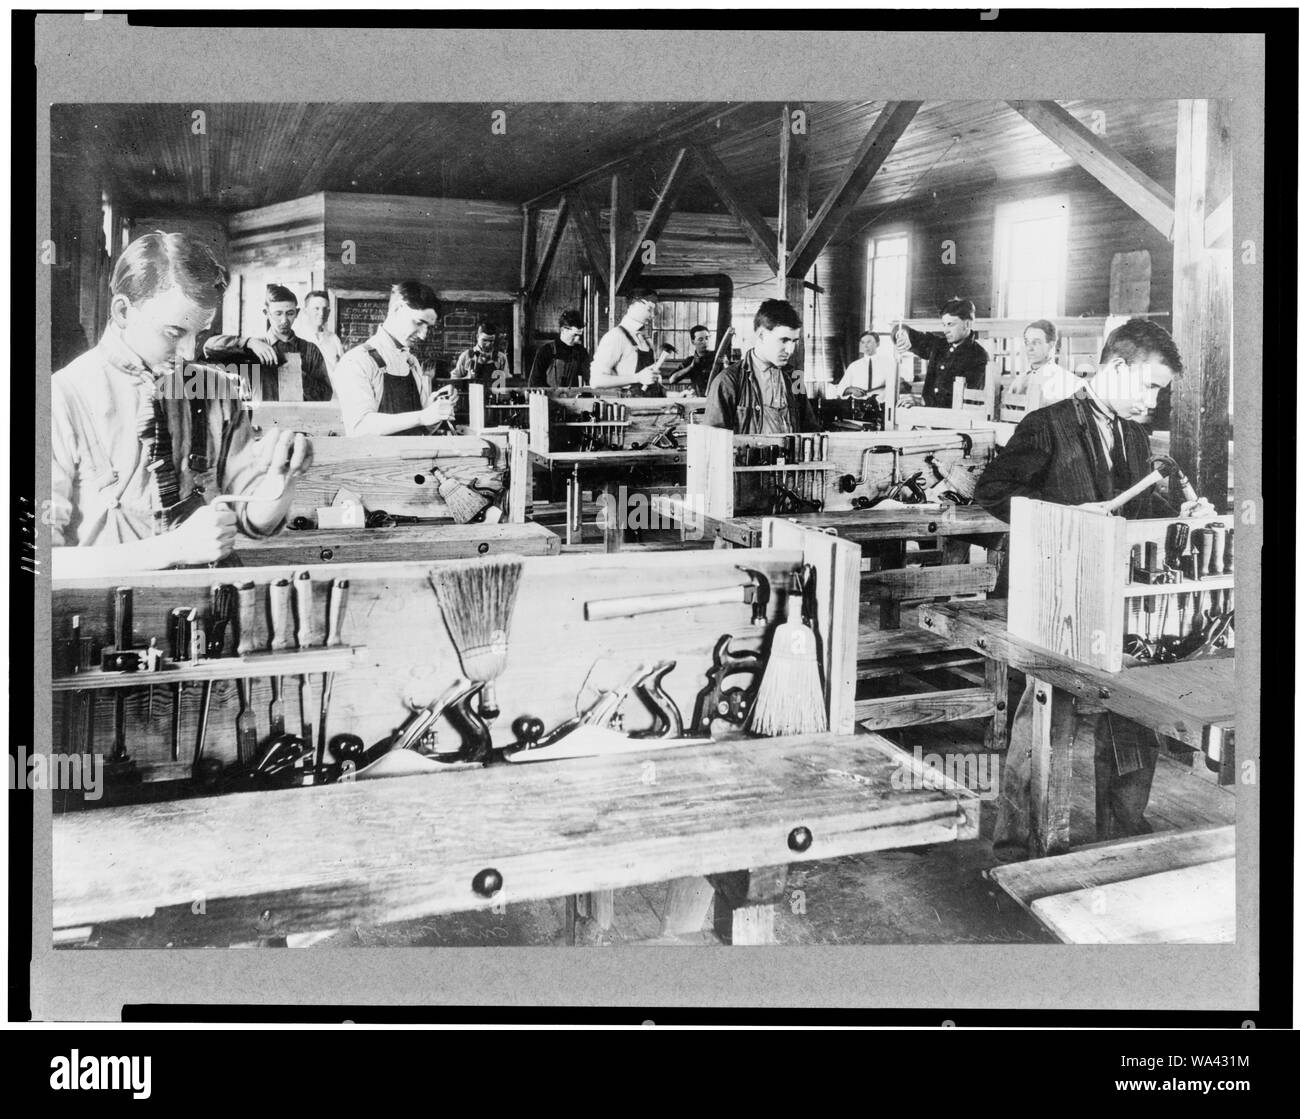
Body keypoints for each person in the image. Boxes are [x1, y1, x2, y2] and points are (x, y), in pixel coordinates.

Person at [974, 319, 1203, 859]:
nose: (1152, 401)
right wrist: (1068, 516)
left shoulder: (1133, 434)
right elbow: (992, 492)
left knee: (1132, 713)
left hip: (1113, 597)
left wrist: (1180, 513)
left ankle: (1122, 837)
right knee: (1042, 720)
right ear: (1118, 367)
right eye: (1148, 386)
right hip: (1055, 601)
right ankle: (1016, 845)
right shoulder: (1047, 425)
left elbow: (1139, 507)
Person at [50, 231, 310, 576]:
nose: (189, 353)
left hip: (213, 608)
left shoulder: (214, 388)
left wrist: (283, 477)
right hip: (106, 618)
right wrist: (173, 548)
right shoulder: (61, 397)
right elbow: (33, 563)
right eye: (174, 333)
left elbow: (254, 522)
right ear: (123, 310)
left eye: (200, 334)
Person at [330, 281, 456, 436]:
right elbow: (359, 428)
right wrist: (422, 417)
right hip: (377, 460)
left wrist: (435, 410)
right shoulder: (356, 361)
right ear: (397, 308)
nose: (423, 335)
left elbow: (422, 428)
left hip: (415, 458)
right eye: (419, 323)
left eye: (428, 327)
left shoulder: (412, 362)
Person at [703, 299, 820, 434]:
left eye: (794, 341)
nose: (790, 350)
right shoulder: (727, 381)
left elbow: (810, 428)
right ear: (761, 335)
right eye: (784, 340)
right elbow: (713, 441)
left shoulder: (795, 376)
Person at [200, 284, 333, 402]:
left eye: (290, 313)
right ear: (266, 313)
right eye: (278, 314)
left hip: (298, 424)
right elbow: (209, 347)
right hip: (261, 424)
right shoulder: (254, 347)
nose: (284, 320)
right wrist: (248, 342)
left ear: (297, 312)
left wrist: (299, 376)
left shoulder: (310, 350)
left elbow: (326, 395)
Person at [894, 297, 988, 408]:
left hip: (956, 422)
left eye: (950, 324)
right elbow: (912, 336)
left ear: (967, 324)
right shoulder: (939, 345)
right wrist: (902, 333)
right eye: (944, 325)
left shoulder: (978, 356)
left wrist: (925, 402)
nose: (945, 330)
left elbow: (967, 401)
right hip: (927, 418)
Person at [589, 288, 672, 391]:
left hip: (650, 404)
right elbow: (596, 381)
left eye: (653, 311)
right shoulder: (616, 336)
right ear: (633, 305)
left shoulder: (646, 340)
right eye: (649, 309)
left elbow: (649, 383)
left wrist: (669, 394)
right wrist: (637, 377)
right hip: (629, 404)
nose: (652, 315)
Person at [1009, 318, 1080, 407]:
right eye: (1027, 342)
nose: (1029, 348)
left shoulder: (1065, 380)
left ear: (1051, 345)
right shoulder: (1018, 381)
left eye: (1037, 342)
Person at [528, 308, 591, 388]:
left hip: (573, 399)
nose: (577, 339)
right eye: (574, 335)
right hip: (549, 398)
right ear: (563, 330)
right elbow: (534, 383)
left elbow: (590, 379)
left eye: (580, 335)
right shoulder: (546, 351)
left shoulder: (581, 352)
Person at [294, 289, 345, 373]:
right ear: (306, 311)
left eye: (325, 309)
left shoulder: (334, 339)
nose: (321, 313)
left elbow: (342, 370)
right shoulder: (296, 337)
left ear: (329, 312)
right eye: (316, 308)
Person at [825, 330, 882, 400]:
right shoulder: (854, 366)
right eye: (863, 342)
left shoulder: (888, 364)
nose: (866, 345)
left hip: (882, 406)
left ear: (878, 344)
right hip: (859, 407)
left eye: (869, 342)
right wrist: (850, 390)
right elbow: (840, 389)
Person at [451, 320, 510, 386]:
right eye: (484, 340)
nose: (488, 344)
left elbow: (508, 382)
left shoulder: (501, 358)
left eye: (491, 341)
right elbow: (453, 379)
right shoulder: (466, 356)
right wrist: (467, 379)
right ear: (477, 337)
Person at [667, 324, 714, 396]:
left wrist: (725, 365)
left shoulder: (717, 357)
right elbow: (672, 380)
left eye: (707, 338)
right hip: (698, 399)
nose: (705, 342)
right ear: (693, 342)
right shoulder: (690, 361)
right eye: (700, 339)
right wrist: (691, 367)